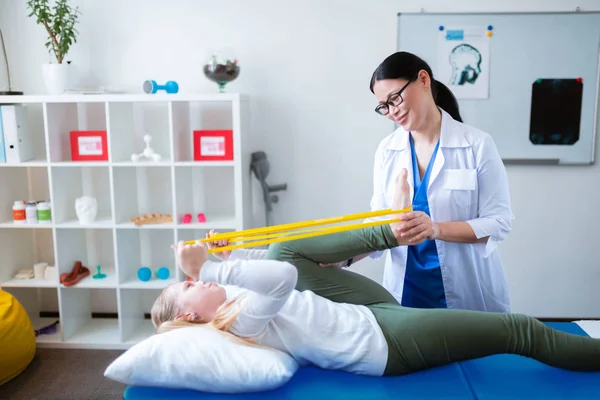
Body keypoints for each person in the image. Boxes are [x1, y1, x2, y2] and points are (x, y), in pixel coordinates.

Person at [151, 173, 600, 378]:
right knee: (517, 330)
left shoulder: (229, 302)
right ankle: (395, 229)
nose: (201, 282)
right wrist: (206, 265)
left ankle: (393, 228)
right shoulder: (240, 323)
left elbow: (272, 265)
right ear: (189, 318)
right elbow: (281, 279)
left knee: (280, 247)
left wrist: (226, 253)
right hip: (382, 340)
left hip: (363, 311)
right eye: (189, 287)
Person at [321, 51, 514, 312]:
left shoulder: (477, 145)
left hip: (467, 294)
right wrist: (344, 257)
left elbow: (499, 223)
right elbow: (380, 222)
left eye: (395, 98)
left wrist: (435, 229)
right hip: (407, 292)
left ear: (423, 80)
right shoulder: (388, 150)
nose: (392, 111)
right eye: (384, 106)